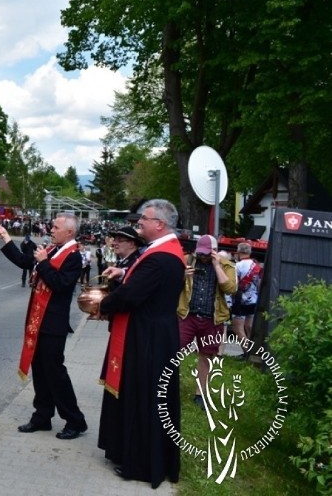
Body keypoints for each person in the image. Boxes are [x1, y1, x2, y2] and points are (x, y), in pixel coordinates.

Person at [96, 199, 186, 488]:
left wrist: (103, 305)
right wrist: (123, 274)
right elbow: (141, 282)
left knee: (143, 395)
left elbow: (131, 296)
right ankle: (132, 452)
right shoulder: (164, 252)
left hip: (149, 338)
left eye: (144, 219)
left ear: (159, 224)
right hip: (155, 332)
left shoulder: (160, 258)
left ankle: (141, 462)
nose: (140, 224)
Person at [0, 213, 88, 441]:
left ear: (69, 232)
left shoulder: (74, 256)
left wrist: (44, 262)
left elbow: (60, 285)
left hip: (54, 324)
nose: (51, 229)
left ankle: (75, 420)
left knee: (55, 373)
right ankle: (42, 416)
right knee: (41, 372)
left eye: (56, 227)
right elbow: (24, 261)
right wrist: (6, 238)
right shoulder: (53, 249)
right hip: (38, 321)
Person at [177, 234, 237, 408]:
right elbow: (169, 284)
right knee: (172, 351)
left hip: (212, 318)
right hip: (187, 315)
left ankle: (200, 394)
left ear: (214, 252)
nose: (202, 257)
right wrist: (182, 276)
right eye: (200, 253)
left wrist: (217, 266)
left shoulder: (227, 265)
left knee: (206, 356)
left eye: (206, 254)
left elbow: (230, 289)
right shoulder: (187, 260)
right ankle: (166, 387)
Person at [232, 242, 262, 358]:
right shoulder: (256, 266)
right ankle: (253, 351)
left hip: (240, 302)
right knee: (249, 327)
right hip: (253, 301)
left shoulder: (237, 266)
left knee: (238, 328)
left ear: (239, 252)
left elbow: (234, 285)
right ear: (250, 252)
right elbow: (259, 284)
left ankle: (247, 353)